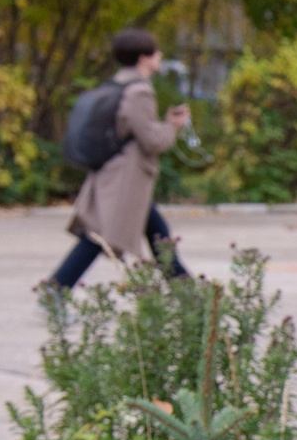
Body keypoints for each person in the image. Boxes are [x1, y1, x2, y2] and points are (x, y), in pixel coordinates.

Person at [47, 28, 192, 293]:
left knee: (155, 231)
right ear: (143, 58)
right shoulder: (139, 92)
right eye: (154, 52)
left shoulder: (116, 84)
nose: (159, 56)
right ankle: (56, 288)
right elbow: (151, 140)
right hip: (126, 177)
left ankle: (186, 289)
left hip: (116, 172)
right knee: (100, 237)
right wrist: (173, 126)